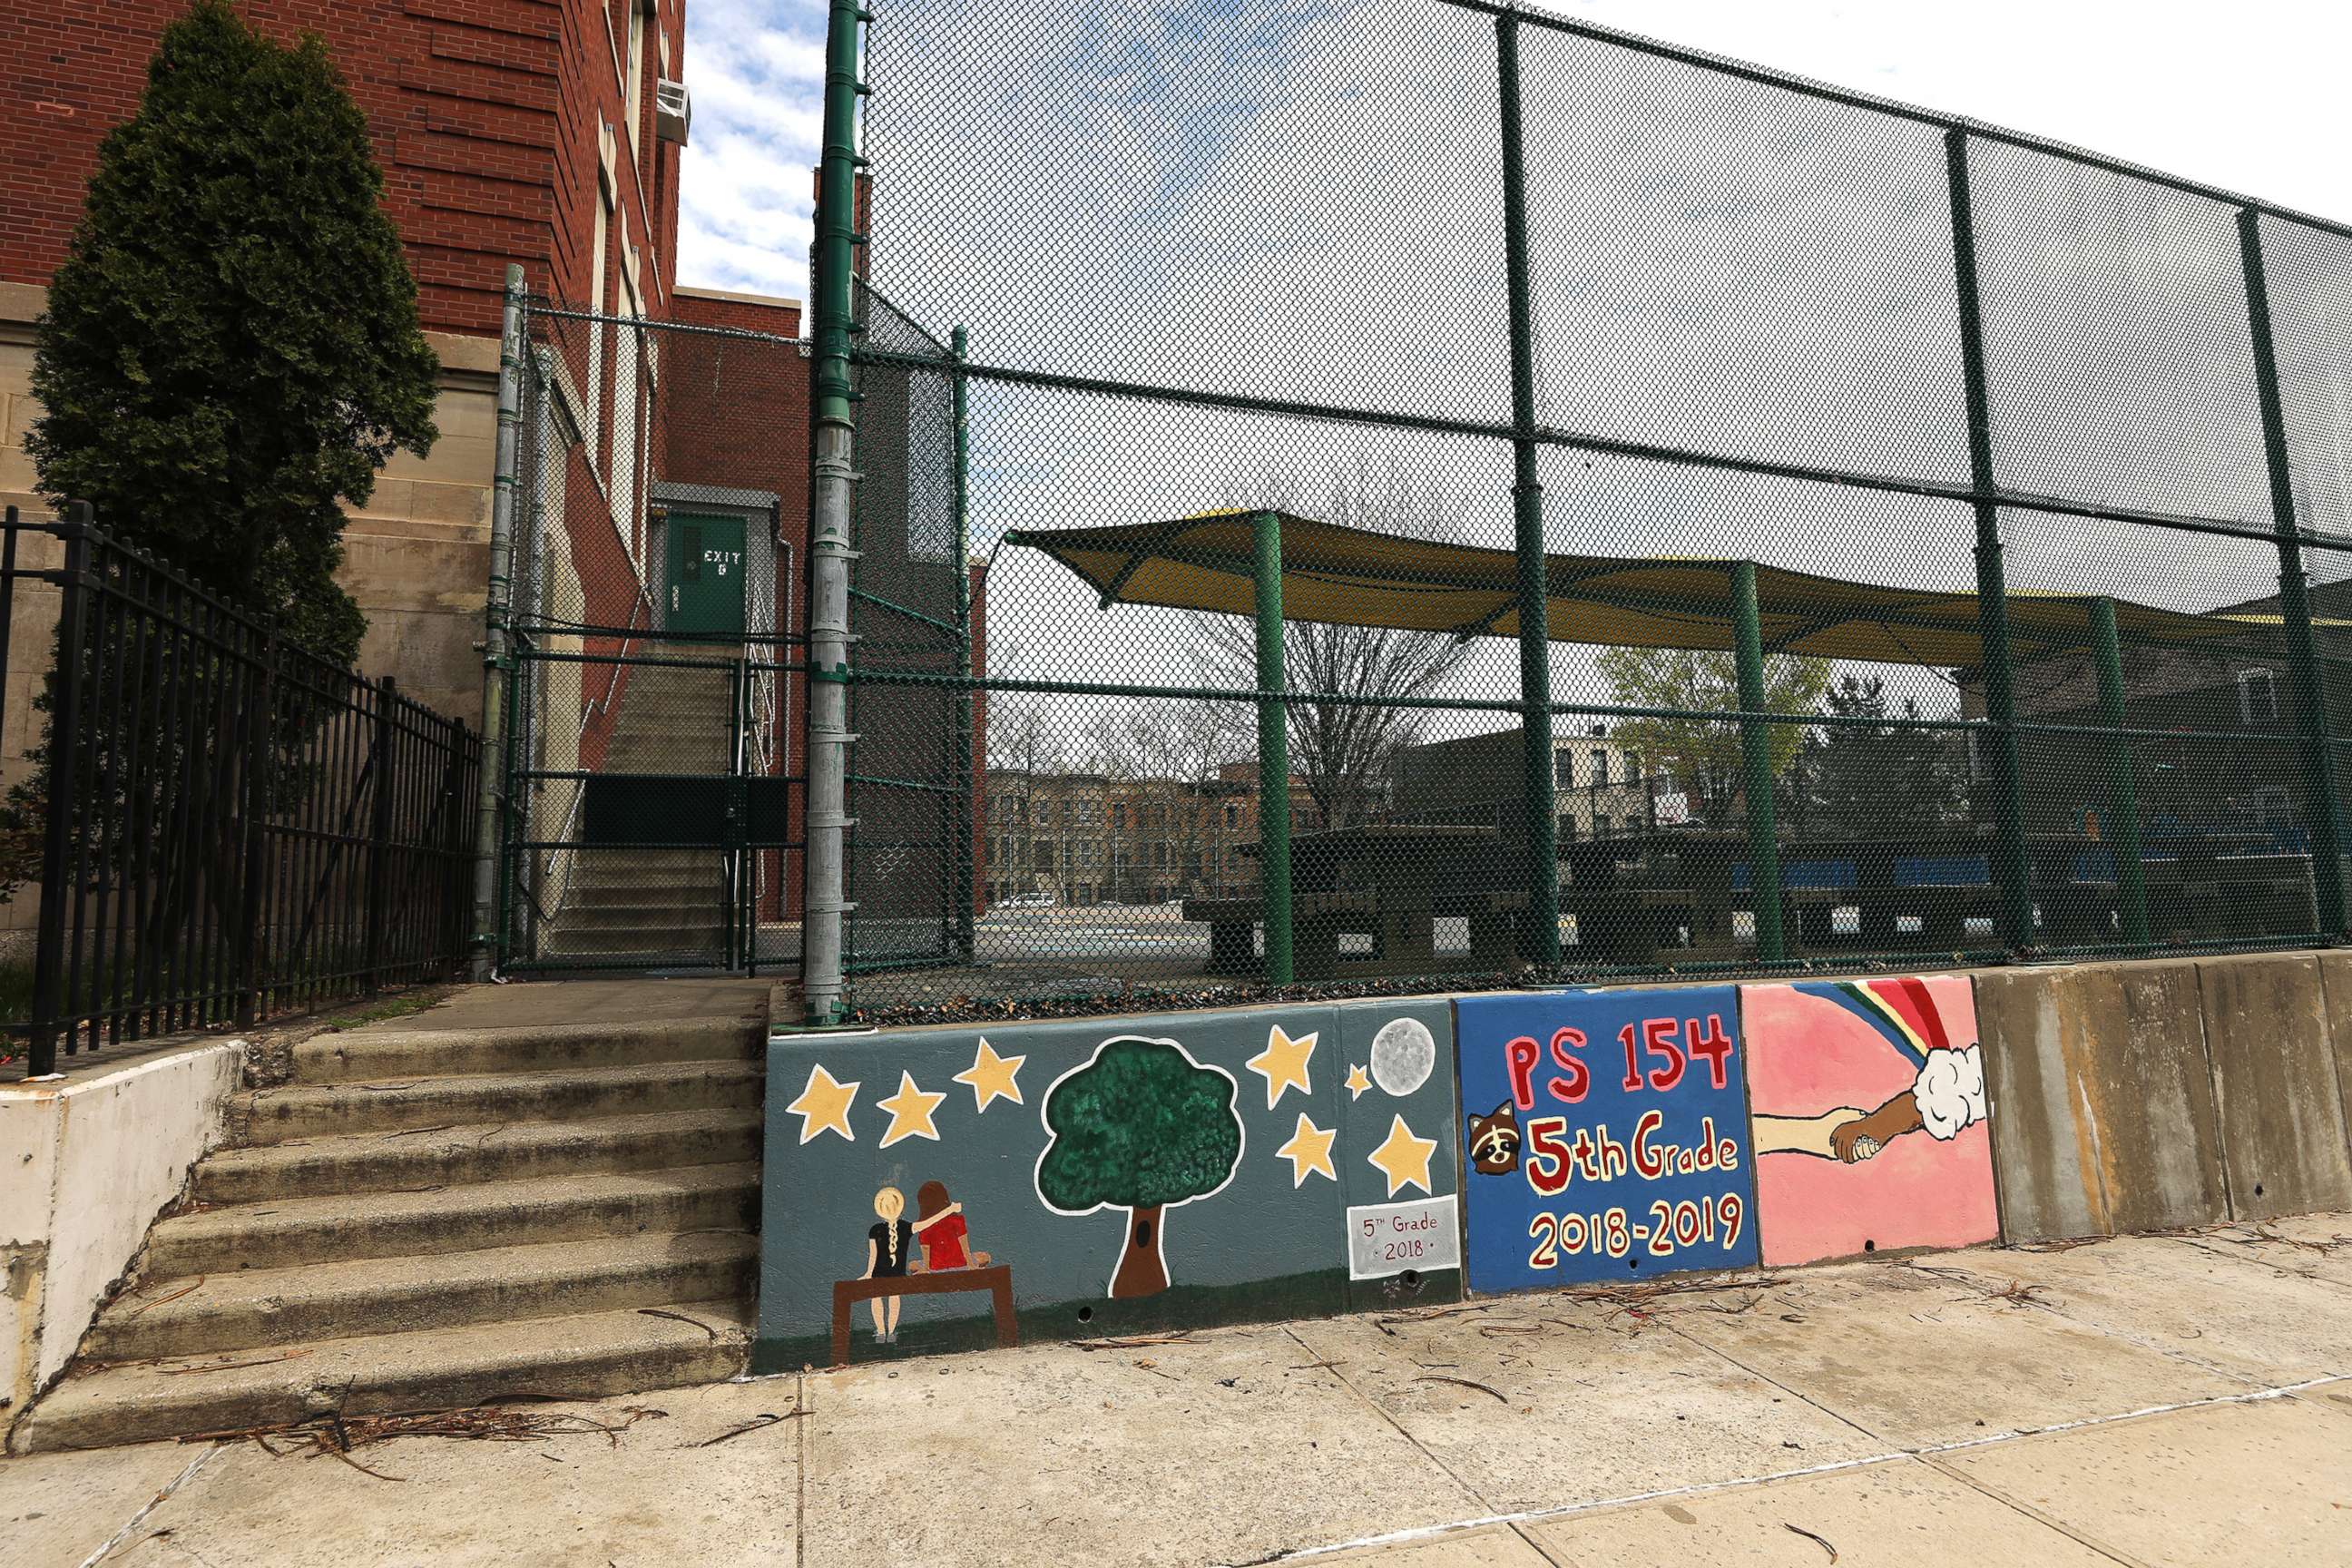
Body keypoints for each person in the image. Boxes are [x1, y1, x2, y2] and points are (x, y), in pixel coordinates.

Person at [860, 1186, 914, 1343]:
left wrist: (869, 1273)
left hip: (878, 1274)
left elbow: (873, 1255)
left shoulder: (875, 1230)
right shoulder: (906, 1226)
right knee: (894, 1298)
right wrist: (950, 1210)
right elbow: (928, 1222)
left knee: (876, 1298)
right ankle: (891, 1333)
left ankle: (881, 1333)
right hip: (897, 1275)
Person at [911, 1179, 992, 1272]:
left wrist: (925, 1269)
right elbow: (963, 1242)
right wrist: (970, 1263)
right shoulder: (956, 1219)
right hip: (960, 1264)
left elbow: (925, 1247)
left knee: (912, 1265)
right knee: (985, 1256)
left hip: (936, 1267)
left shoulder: (924, 1226)